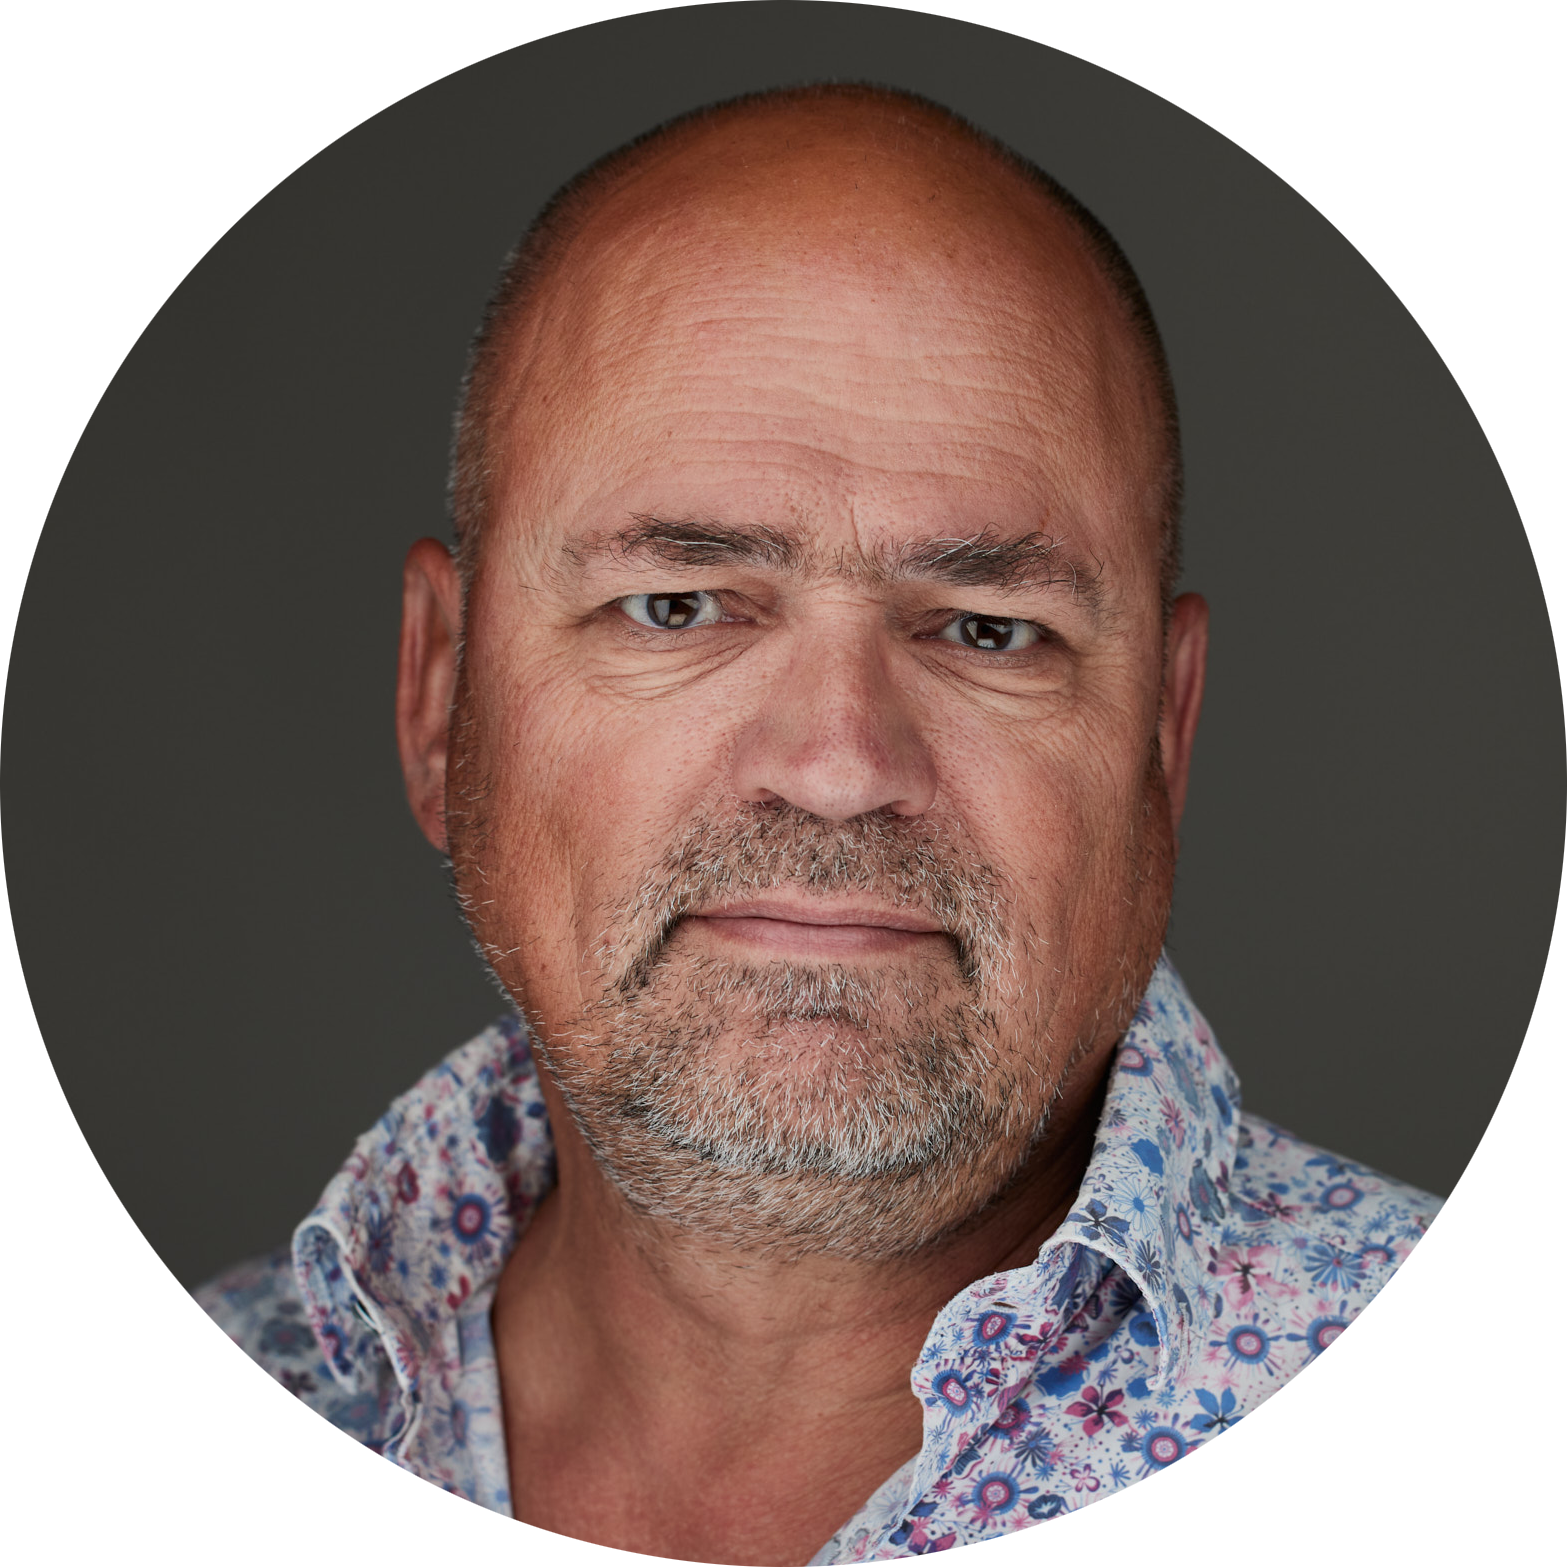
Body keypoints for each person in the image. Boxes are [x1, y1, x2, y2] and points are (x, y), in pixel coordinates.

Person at [192, 83, 1437, 1565]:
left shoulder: (1478, 1438)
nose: (841, 766)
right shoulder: (244, 1405)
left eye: (987, 629)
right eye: (677, 605)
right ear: (439, 697)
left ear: (1161, 737)